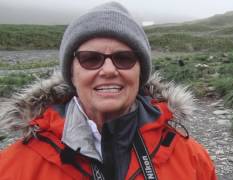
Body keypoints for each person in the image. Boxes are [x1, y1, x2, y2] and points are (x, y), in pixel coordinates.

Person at [0, 2, 217, 180]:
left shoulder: (192, 159)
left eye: (124, 58)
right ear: (71, 74)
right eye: (90, 59)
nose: (109, 70)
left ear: (140, 73)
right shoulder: (14, 167)